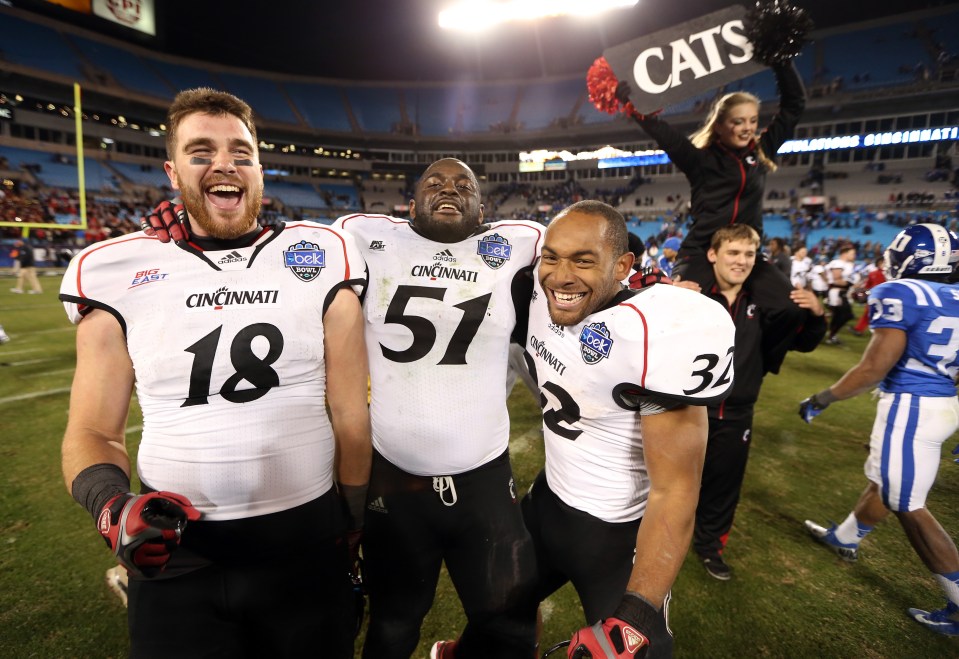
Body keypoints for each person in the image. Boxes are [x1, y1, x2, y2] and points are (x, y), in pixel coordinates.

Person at [145, 157, 544, 659]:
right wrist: (191, 223)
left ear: (483, 206)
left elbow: (585, 257)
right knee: (395, 624)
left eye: (464, 184)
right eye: (435, 182)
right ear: (412, 201)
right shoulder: (363, 234)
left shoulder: (520, 241)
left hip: (485, 475)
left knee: (507, 624)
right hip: (397, 479)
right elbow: (280, 252)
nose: (450, 189)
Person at [61, 88, 371, 658]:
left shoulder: (322, 252)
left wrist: (352, 521)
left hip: (306, 544)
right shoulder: (114, 269)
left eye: (241, 152)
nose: (224, 164)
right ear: (172, 172)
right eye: (200, 152)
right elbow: (93, 432)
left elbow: (351, 413)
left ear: (259, 170)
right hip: (178, 555)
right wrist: (111, 504)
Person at [518, 201, 736, 657]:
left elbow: (676, 490)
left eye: (583, 260)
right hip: (548, 502)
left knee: (640, 651)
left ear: (622, 266)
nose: (560, 276)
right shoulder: (535, 295)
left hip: (616, 537)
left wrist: (639, 612)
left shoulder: (653, 332)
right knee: (498, 616)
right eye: (552, 257)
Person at [799, 223, 959, 637]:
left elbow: (873, 368)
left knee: (907, 503)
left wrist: (823, 398)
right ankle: (845, 538)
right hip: (943, 405)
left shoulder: (902, 292)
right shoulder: (954, 295)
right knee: (885, 483)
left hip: (912, 406)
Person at [690, 225, 826, 580]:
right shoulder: (692, 298)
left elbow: (803, 343)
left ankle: (709, 548)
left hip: (737, 413)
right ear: (712, 255)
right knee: (667, 480)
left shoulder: (764, 305)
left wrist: (816, 315)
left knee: (723, 485)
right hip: (686, 410)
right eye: (733, 253)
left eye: (749, 255)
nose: (741, 261)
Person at [621, 60, 804, 308]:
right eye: (738, 121)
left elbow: (793, 107)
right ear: (719, 125)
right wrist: (634, 105)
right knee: (680, 305)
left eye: (752, 120)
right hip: (700, 252)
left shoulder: (762, 153)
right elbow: (664, 134)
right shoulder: (701, 160)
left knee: (790, 309)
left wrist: (782, 61)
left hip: (745, 253)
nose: (747, 128)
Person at [825, 243, 857, 344]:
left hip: (842, 291)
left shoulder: (848, 264)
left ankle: (831, 334)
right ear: (845, 253)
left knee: (839, 315)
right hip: (837, 291)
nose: (854, 256)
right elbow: (837, 279)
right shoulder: (837, 263)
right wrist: (850, 283)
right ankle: (830, 334)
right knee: (846, 315)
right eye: (852, 253)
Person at [850, 255, 886, 336]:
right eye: (882, 263)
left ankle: (881, 332)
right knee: (868, 313)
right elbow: (867, 285)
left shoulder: (890, 275)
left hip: (886, 297)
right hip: (874, 297)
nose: (883, 264)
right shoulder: (872, 273)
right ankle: (859, 329)